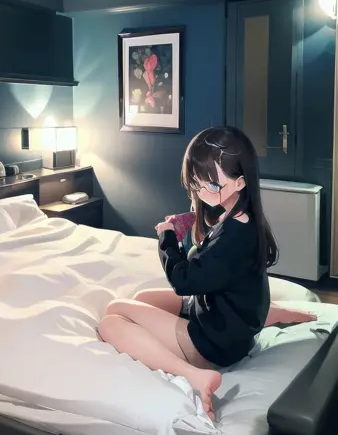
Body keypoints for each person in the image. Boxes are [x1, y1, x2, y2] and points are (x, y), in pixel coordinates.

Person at [98, 126, 316, 420]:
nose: (201, 192)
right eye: (196, 183)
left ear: (240, 182)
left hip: (215, 344)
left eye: (211, 185)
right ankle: (268, 314)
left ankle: (194, 374)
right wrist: (190, 220)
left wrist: (167, 238)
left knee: (112, 319)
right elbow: (218, 265)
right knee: (141, 298)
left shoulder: (234, 237)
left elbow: (183, 280)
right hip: (227, 317)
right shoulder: (241, 217)